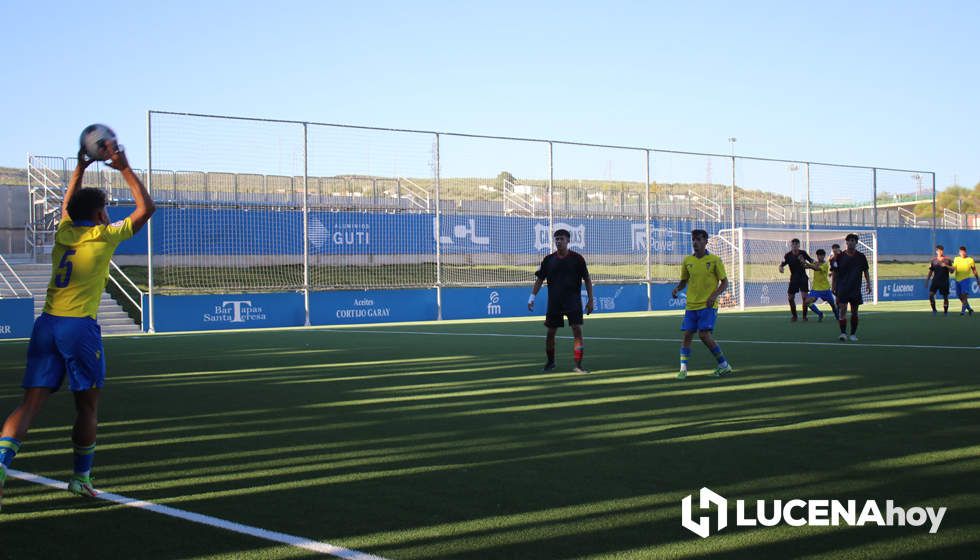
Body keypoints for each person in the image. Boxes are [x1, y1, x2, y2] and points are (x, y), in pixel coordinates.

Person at [0, 140, 155, 510]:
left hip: (47, 325)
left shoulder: (64, 234)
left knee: (31, 403)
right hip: (78, 329)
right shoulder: (103, 237)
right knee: (87, 407)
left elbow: (69, 206)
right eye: (104, 210)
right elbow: (147, 208)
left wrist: (80, 169)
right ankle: (81, 478)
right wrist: (124, 167)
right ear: (101, 214)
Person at [529, 229, 594, 373]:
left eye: (561, 239)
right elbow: (540, 279)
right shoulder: (548, 260)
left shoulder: (578, 259)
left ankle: (578, 365)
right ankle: (550, 362)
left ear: (568, 241)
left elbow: (587, 279)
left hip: (573, 302)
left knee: (577, 331)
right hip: (554, 303)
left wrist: (590, 300)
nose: (558, 241)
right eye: (556, 239)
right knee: (550, 332)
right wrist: (532, 297)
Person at [672, 229, 733, 379]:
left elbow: (724, 282)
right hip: (691, 305)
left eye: (699, 239)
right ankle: (683, 370)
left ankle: (724, 365)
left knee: (704, 335)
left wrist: (714, 295)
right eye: (693, 239)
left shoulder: (714, 260)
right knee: (687, 335)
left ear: (706, 241)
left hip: (707, 305)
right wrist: (677, 289)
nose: (695, 242)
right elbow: (684, 281)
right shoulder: (688, 261)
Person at [834, 233, 871, 342]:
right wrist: (833, 287)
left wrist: (868, 284)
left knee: (854, 311)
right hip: (843, 288)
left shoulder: (861, 257)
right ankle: (843, 333)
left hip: (855, 288)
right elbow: (835, 273)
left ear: (856, 242)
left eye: (853, 240)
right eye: (849, 240)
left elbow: (866, 271)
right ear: (846, 242)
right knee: (843, 310)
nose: (851, 242)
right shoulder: (839, 256)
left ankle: (853, 334)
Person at [778, 238, 814, 322]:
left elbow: (811, 261)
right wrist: (780, 268)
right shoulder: (787, 255)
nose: (795, 246)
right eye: (793, 244)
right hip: (794, 278)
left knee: (805, 298)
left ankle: (804, 316)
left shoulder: (803, 253)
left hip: (803, 278)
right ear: (791, 245)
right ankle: (794, 316)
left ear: (799, 245)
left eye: (796, 244)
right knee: (790, 298)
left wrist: (813, 263)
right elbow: (782, 264)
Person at [804, 249, 838, 321]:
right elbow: (805, 266)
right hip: (816, 289)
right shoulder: (815, 263)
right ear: (817, 256)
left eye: (821, 255)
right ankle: (820, 314)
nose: (820, 257)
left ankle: (837, 316)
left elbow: (816, 268)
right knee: (807, 302)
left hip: (825, 289)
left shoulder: (825, 264)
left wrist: (807, 264)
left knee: (833, 306)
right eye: (818, 255)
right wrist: (801, 261)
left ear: (824, 256)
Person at [926, 245, 953, 316]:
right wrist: (927, 280)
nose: (939, 252)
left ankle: (945, 312)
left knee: (945, 297)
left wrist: (946, 266)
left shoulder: (947, 260)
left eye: (941, 250)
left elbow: (952, 271)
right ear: (936, 251)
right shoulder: (933, 260)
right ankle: (934, 310)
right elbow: (930, 271)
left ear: (943, 251)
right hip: (935, 281)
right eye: (938, 250)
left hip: (944, 281)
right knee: (931, 295)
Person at [952, 246, 978, 316]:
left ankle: (962, 312)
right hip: (957, 280)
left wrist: (978, 279)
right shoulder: (956, 259)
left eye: (963, 252)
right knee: (959, 296)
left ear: (966, 252)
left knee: (964, 295)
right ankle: (969, 309)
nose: (962, 253)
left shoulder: (970, 260)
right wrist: (950, 269)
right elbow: (953, 269)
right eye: (961, 252)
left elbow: (974, 270)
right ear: (959, 252)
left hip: (965, 280)